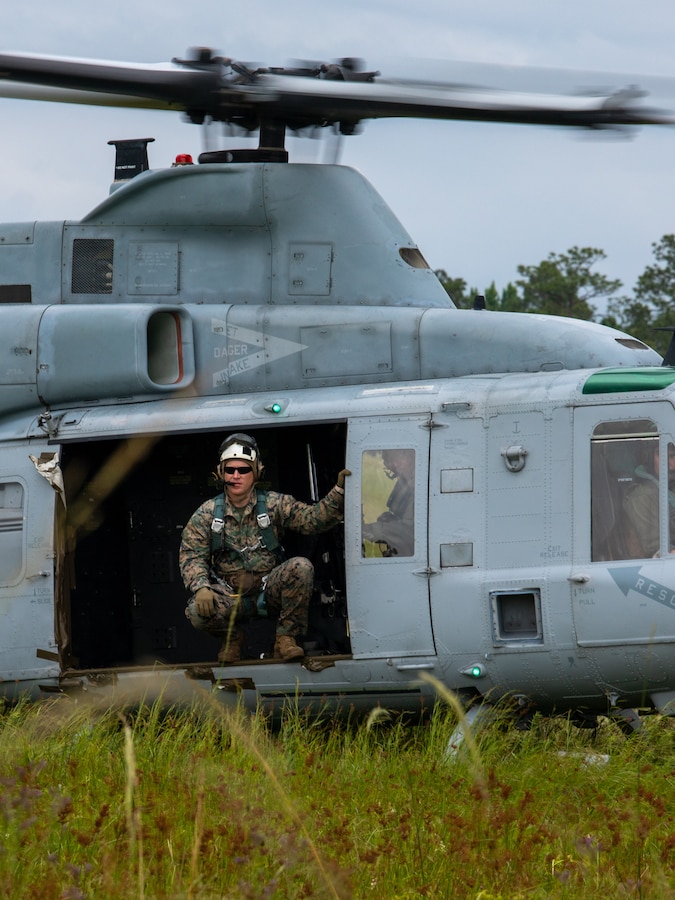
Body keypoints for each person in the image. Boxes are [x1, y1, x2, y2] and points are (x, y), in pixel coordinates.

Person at [179, 433, 350, 663]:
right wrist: (200, 587)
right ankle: (233, 639)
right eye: (230, 470)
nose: (236, 476)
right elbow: (191, 555)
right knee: (196, 611)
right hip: (229, 594)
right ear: (221, 474)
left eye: (244, 470)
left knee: (301, 567)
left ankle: (285, 639)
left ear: (257, 473)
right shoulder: (207, 514)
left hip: (269, 589)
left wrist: (339, 491)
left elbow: (313, 520)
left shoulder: (274, 504)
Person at [623, 441, 675, 557]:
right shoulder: (642, 496)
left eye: (673, 456)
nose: (669, 463)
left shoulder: (670, 489)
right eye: (661, 455)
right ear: (649, 460)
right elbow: (658, 549)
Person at [362, 448, 414, 557]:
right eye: (386, 460)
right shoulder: (405, 480)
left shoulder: (417, 483)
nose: (389, 464)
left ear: (405, 455)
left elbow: (408, 529)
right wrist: (390, 518)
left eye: (390, 459)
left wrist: (369, 530)